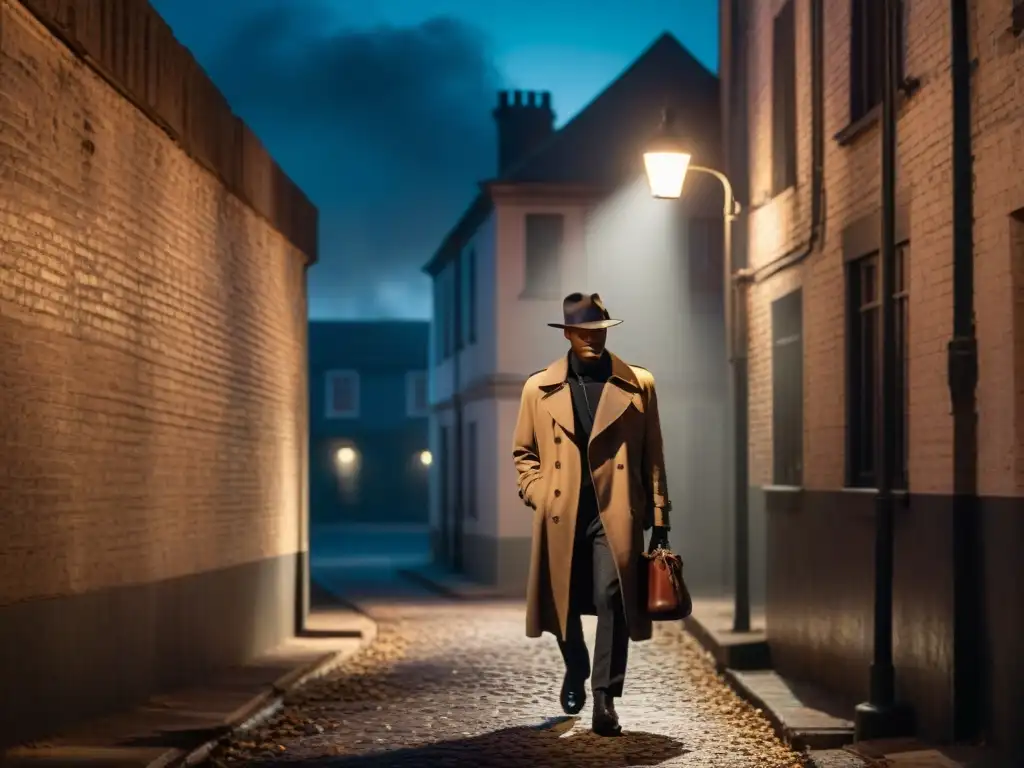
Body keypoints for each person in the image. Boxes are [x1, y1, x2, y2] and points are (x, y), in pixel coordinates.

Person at [512, 292, 672, 737]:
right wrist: (538, 492)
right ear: (566, 333)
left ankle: (605, 697)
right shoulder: (537, 387)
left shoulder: (638, 384)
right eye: (584, 332)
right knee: (562, 600)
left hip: (615, 510)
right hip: (561, 511)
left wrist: (660, 517)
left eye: (600, 331)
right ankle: (576, 664)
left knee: (612, 596)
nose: (593, 340)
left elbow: (653, 455)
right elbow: (524, 453)